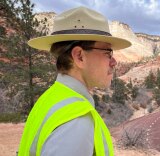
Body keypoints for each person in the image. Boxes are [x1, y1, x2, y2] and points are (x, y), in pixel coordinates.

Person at [18, 6, 131, 156]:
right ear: (79, 56)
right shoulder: (76, 120)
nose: (114, 62)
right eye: (108, 53)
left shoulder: (50, 98)